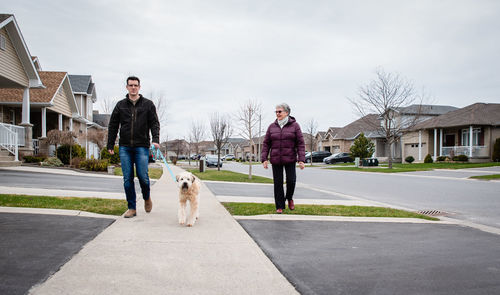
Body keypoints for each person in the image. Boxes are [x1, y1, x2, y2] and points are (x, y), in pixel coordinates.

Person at [107, 76, 160, 218]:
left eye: (135, 85)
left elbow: (154, 123)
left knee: (143, 177)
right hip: (124, 147)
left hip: (142, 146)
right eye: (130, 85)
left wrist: (155, 139)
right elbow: (113, 125)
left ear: (139, 87)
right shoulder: (120, 105)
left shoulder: (148, 104)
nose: (133, 87)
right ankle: (132, 207)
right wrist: (110, 144)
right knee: (127, 178)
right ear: (127, 87)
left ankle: (147, 197)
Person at [261, 103, 305, 214]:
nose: (277, 113)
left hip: (290, 158)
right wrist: (264, 158)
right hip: (276, 159)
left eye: (279, 111)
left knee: (291, 181)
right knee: (278, 183)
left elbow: (300, 143)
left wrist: (301, 159)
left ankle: (289, 198)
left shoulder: (295, 126)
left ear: (286, 112)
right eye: (276, 111)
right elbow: (266, 143)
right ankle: (279, 206)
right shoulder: (272, 127)